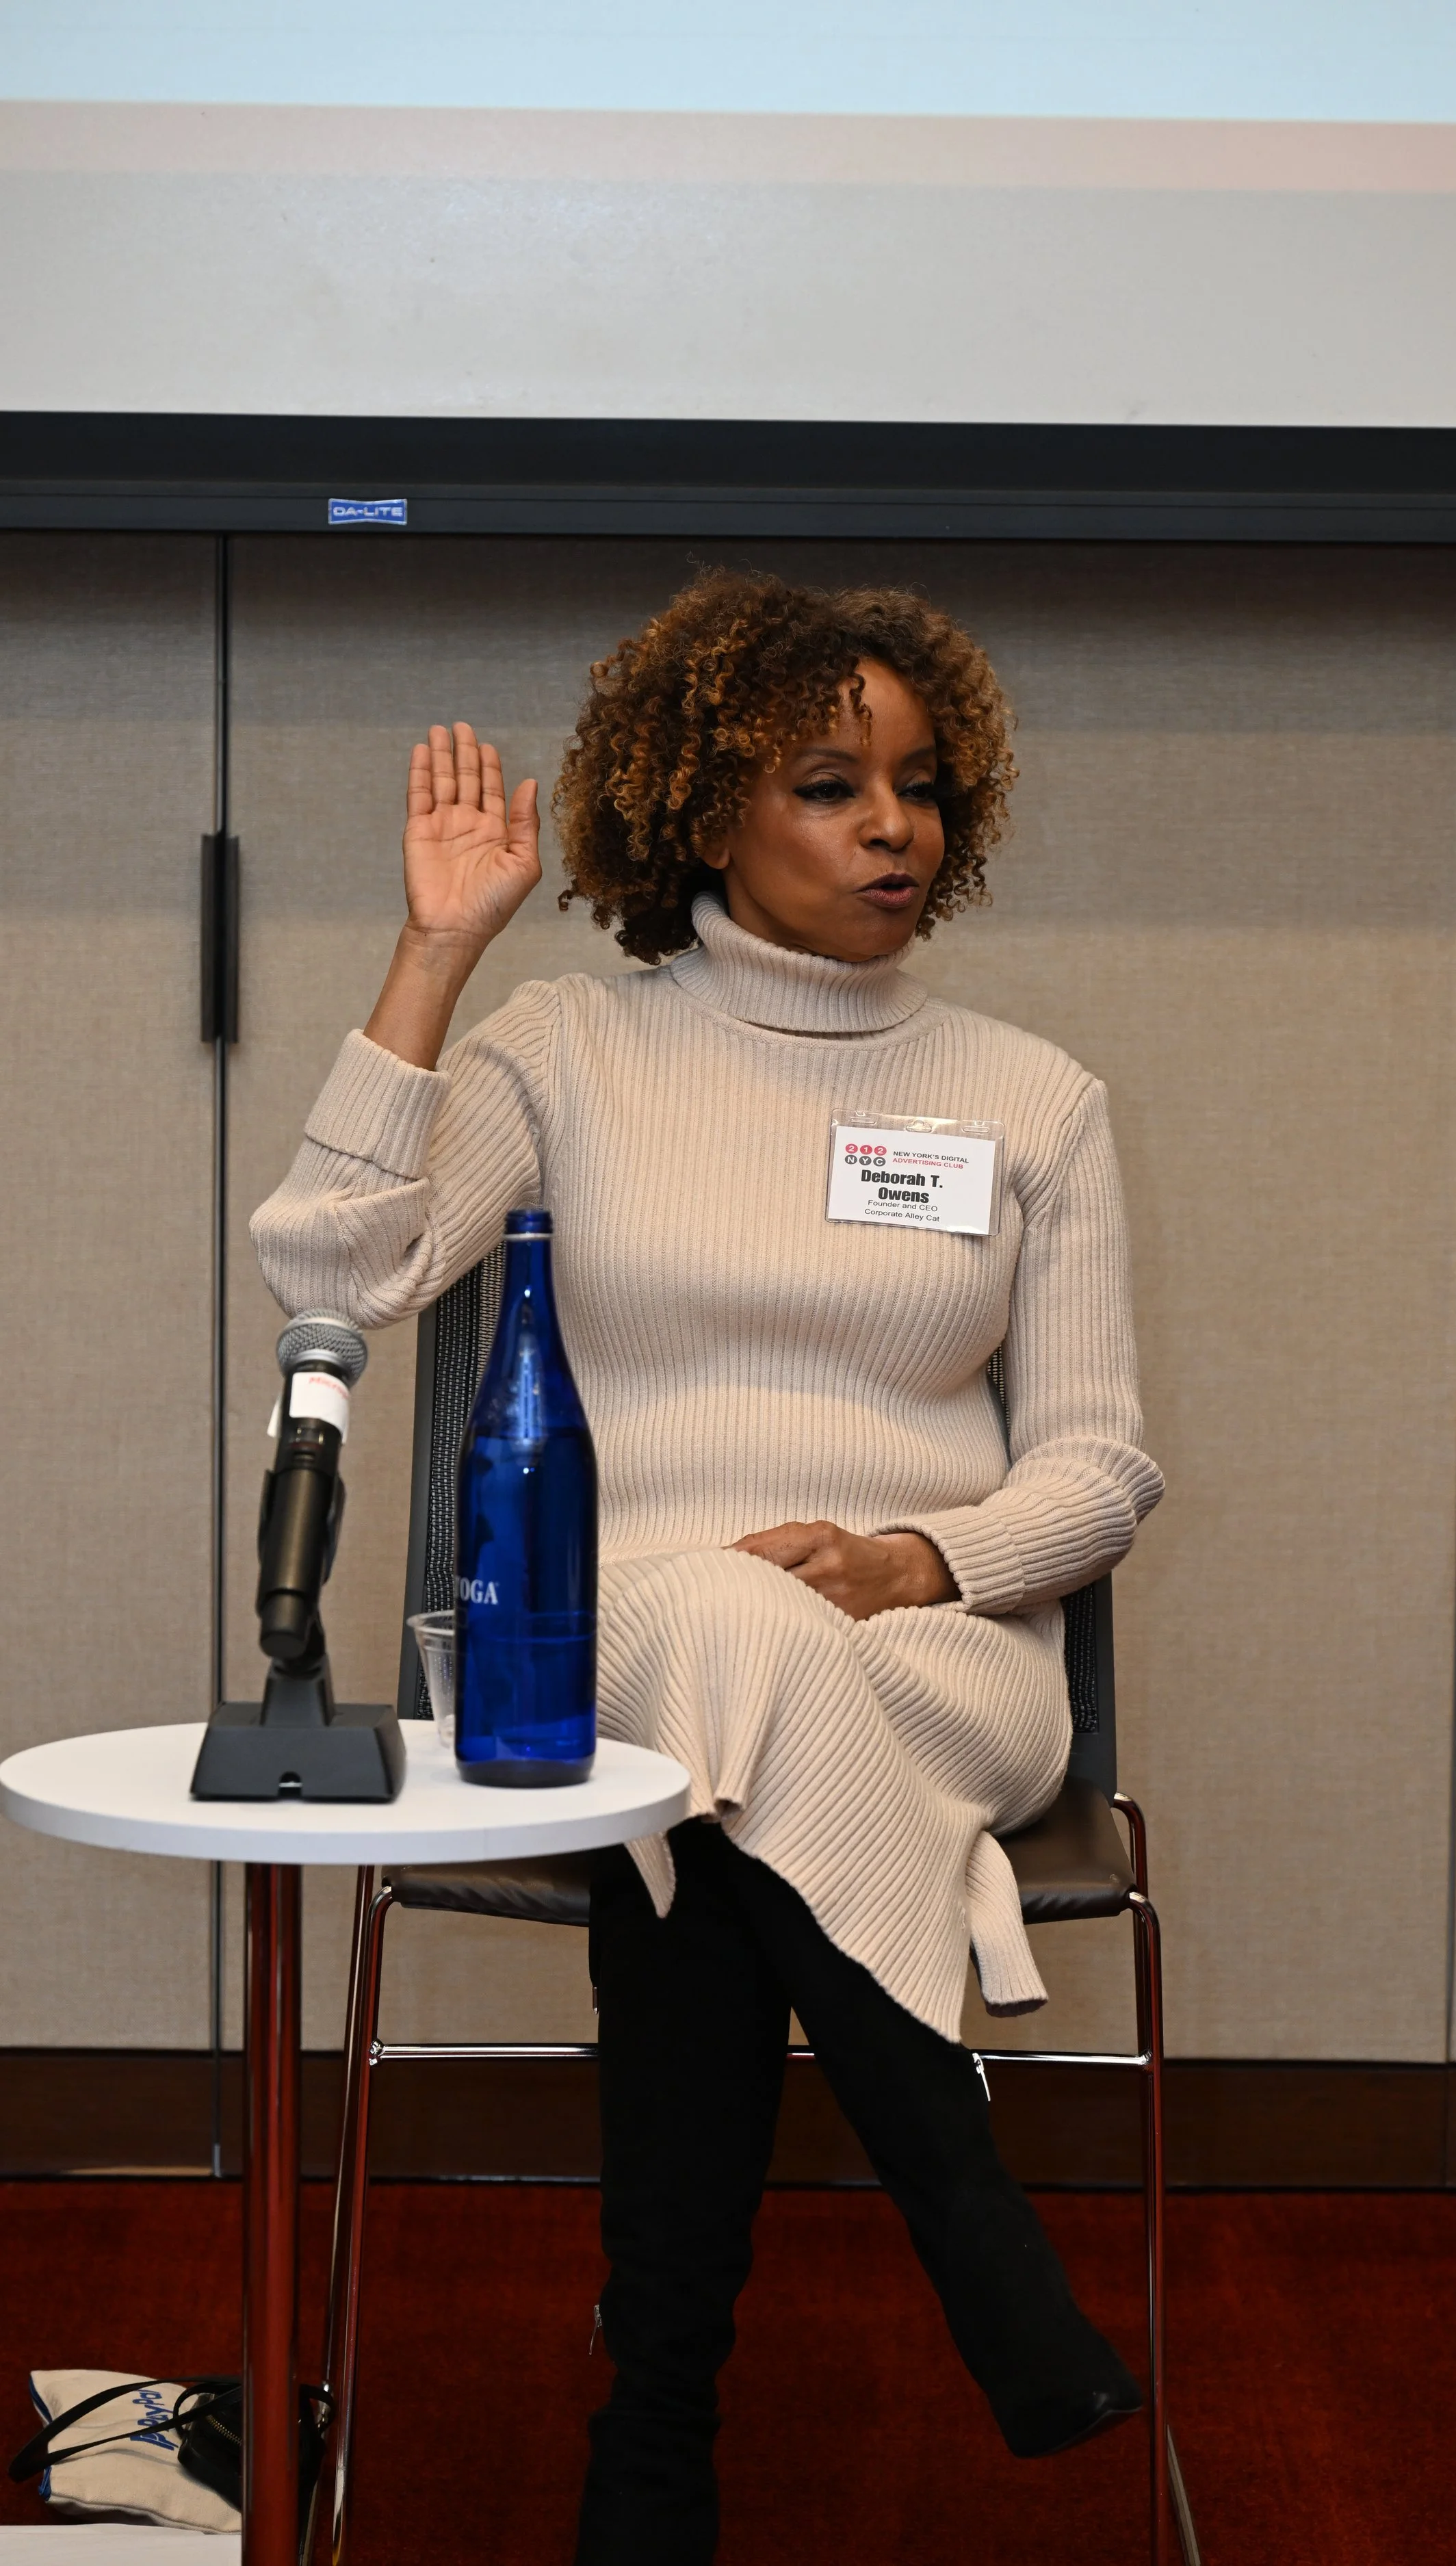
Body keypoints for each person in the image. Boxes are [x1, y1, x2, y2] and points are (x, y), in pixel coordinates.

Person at [252, 569, 1165, 2562]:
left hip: (937, 1659)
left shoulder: (1032, 1099)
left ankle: (654, 2426)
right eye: (831, 785)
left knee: (716, 1783)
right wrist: (435, 954)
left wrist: (917, 1554)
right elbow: (334, 1264)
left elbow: (1101, 1467)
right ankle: (967, 2233)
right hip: (623, 1640)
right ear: (703, 811)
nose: (891, 828)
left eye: (918, 788)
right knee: (721, 1648)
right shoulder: (570, 1049)